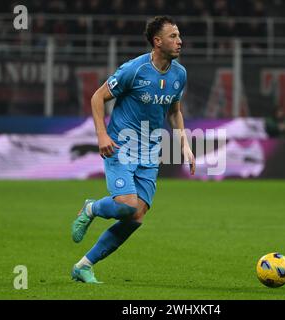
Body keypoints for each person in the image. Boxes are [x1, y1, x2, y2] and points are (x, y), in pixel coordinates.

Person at [70, 16, 196, 284]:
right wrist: (102, 134)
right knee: (127, 206)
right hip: (120, 145)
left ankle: (84, 265)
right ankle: (91, 209)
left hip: (150, 153)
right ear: (157, 41)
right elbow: (97, 97)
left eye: (179, 35)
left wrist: (185, 144)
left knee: (136, 217)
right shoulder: (134, 70)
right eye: (173, 36)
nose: (179, 41)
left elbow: (174, 111)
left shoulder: (179, 75)